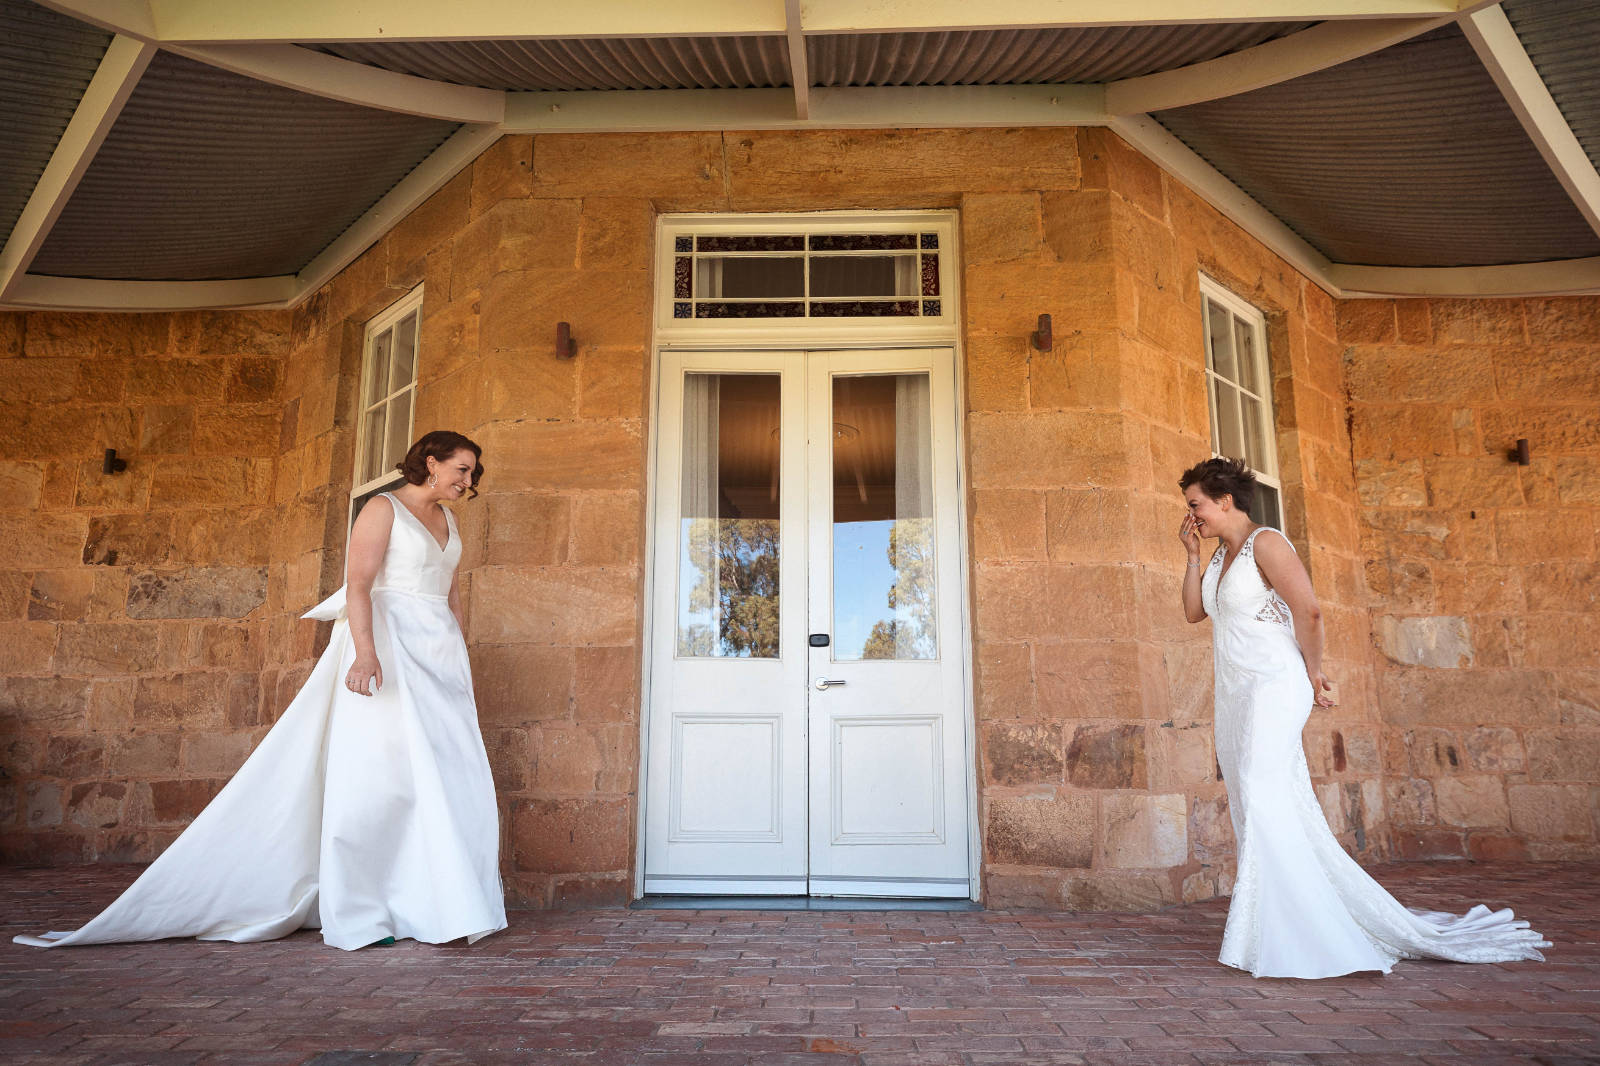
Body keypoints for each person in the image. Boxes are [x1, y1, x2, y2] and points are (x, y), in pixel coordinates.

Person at [16, 431, 506, 951]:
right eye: (462, 469)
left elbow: (449, 594)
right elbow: (358, 585)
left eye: (472, 473)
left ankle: (437, 900)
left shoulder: (450, 521)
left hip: (438, 659)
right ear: (431, 463)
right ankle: (368, 908)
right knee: (380, 780)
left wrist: (460, 657)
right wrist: (365, 652)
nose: (468, 481)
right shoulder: (382, 510)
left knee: (451, 775)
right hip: (388, 647)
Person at [1178, 456, 1547, 979]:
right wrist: (1192, 555)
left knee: (1261, 794)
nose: (1192, 514)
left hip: (1274, 685)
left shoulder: (1267, 543)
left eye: (1196, 505)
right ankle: (1281, 921)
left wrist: (1314, 673)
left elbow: (1309, 611)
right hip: (1235, 693)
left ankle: (1300, 930)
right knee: (1252, 800)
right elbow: (1195, 612)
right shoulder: (1217, 555)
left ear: (1224, 500)